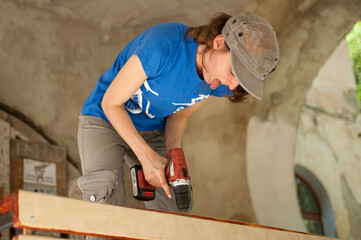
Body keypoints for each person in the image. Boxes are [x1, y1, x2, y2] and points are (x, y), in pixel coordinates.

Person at [77, 10, 279, 228]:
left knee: (174, 214)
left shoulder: (222, 82)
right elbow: (111, 103)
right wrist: (146, 157)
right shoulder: (163, 46)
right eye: (234, 72)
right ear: (219, 42)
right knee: (104, 204)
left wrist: (173, 154)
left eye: (240, 81)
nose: (232, 85)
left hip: (154, 128)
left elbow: (180, 113)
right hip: (105, 119)